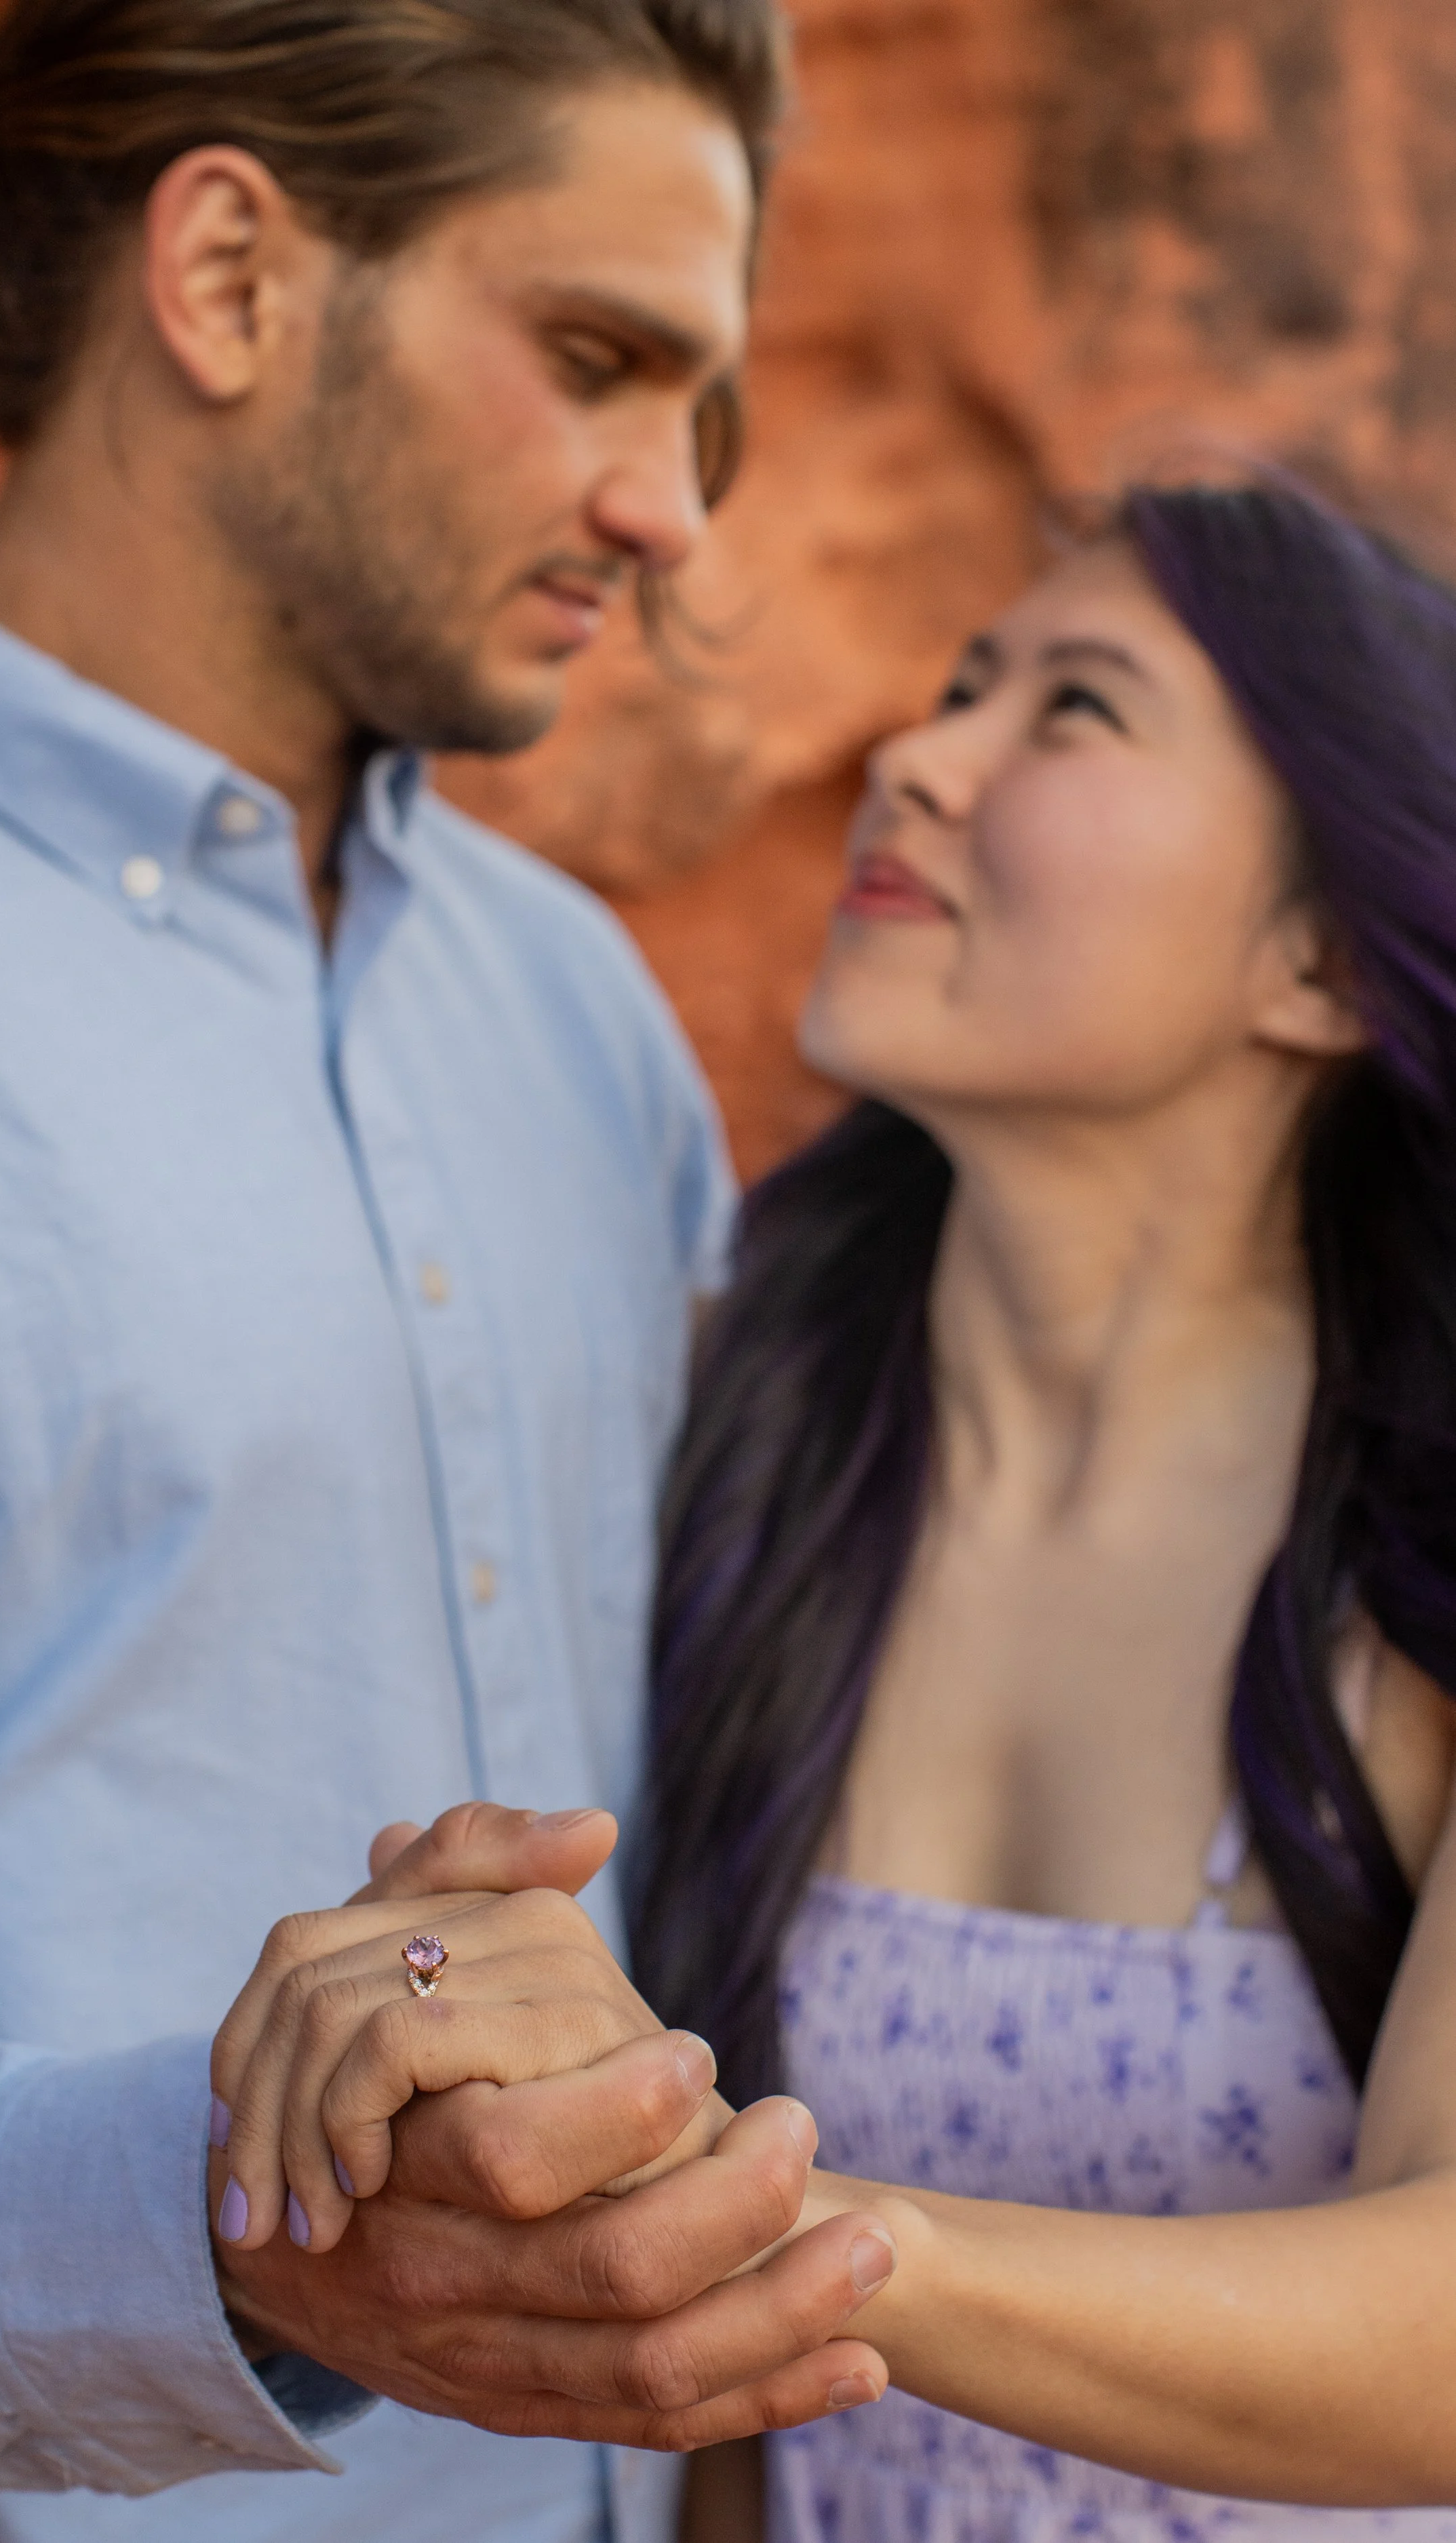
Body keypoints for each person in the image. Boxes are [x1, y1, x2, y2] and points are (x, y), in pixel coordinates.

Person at [0, 3, 893, 2538]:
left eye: (696, 408)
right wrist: (239, 2245)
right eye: (598, 357)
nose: (672, 509)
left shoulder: (574, 1009)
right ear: (236, 272)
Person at [635, 476, 1456, 2538]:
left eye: (1071, 711)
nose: (914, 755)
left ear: (1326, 961)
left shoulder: (1425, 1543)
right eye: (957, 687)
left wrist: (758, 2239)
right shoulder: (743, 1440)